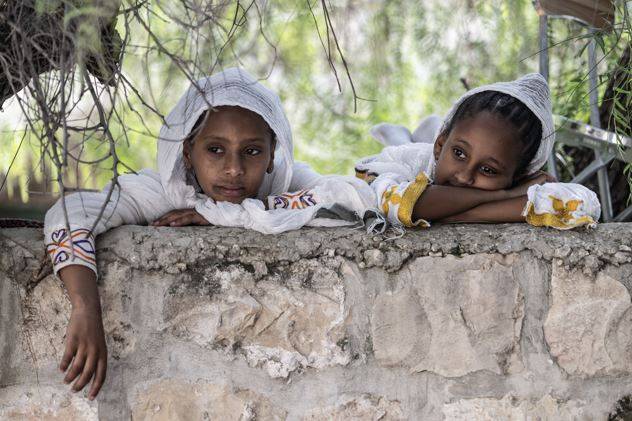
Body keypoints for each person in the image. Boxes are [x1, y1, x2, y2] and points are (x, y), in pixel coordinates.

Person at [44, 67, 374, 400]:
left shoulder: (285, 184)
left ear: (273, 153)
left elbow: (353, 198)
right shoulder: (164, 191)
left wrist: (221, 214)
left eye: (252, 151)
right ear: (188, 150)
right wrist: (85, 308)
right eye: (215, 149)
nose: (234, 169)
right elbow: (70, 215)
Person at [355, 73, 600, 228]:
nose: (464, 176)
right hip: (402, 159)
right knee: (401, 147)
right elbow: (393, 203)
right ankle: (398, 135)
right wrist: (502, 196)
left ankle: (418, 133)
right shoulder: (404, 165)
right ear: (441, 147)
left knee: (417, 144)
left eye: (488, 169)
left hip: (435, 154)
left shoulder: (467, 171)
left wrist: (448, 214)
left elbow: (583, 204)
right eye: (459, 153)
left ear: (520, 176)